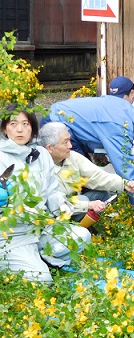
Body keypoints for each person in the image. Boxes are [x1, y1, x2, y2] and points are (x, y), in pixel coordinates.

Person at [42, 95, 134, 229]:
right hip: (57, 122)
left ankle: (80, 218)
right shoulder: (120, 127)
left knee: (92, 181)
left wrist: (124, 184)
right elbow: (125, 168)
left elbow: (97, 173)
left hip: (64, 117)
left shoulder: (129, 114)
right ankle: (71, 226)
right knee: (74, 181)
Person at [0, 105, 91, 282]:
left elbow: (52, 190)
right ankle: (15, 262)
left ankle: (40, 259)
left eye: (25, 124)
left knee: (82, 236)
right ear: (4, 128)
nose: (20, 129)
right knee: (43, 280)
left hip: (42, 229)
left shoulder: (40, 154)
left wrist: (61, 204)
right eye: (13, 123)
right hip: (13, 236)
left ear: (33, 127)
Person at [38, 122, 134, 224]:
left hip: (75, 206)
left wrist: (124, 184)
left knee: (103, 194)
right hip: (55, 216)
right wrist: (88, 205)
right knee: (83, 199)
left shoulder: (72, 157)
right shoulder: (39, 168)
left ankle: (103, 229)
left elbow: (97, 176)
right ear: (50, 148)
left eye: (69, 140)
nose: (70, 145)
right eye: (65, 142)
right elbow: (56, 205)